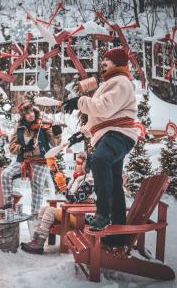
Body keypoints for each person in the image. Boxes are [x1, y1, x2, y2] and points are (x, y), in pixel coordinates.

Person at [62, 48, 139, 243]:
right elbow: (101, 116)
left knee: (99, 160)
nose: (103, 62)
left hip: (119, 134)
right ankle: (118, 233)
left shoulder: (120, 81)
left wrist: (79, 101)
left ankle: (103, 213)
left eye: (107, 59)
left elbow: (104, 108)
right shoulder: (111, 83)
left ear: (118, 62)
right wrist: (82, 133)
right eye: (103, 59)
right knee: (114, 181)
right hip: (110, 133)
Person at [21, 152, 95, 254]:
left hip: (83, 217)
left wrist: (63, 187)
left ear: (87, 166)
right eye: (76, 162)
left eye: (79, 163)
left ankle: (38, 244)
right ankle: (36, 240)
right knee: (43, 209)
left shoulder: (90, 182)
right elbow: (71, 198)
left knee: (51, 211)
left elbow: (74, 200)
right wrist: (58, 177)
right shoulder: (78, 179)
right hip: (74, 213)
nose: (75, 165)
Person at [1, 101, 62, 215]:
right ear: (23, 116)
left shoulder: (43, 126)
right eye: (28, 113)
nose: (31, 115)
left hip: (40, 162)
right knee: (6, 174)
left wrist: (57, 134)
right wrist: (23, 148)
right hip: (24, 161)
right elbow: (12, 147)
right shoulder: (20, 128)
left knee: (37, 190)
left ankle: (35, 216)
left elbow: (55, 144)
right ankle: (8, 204)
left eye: (32, 112)